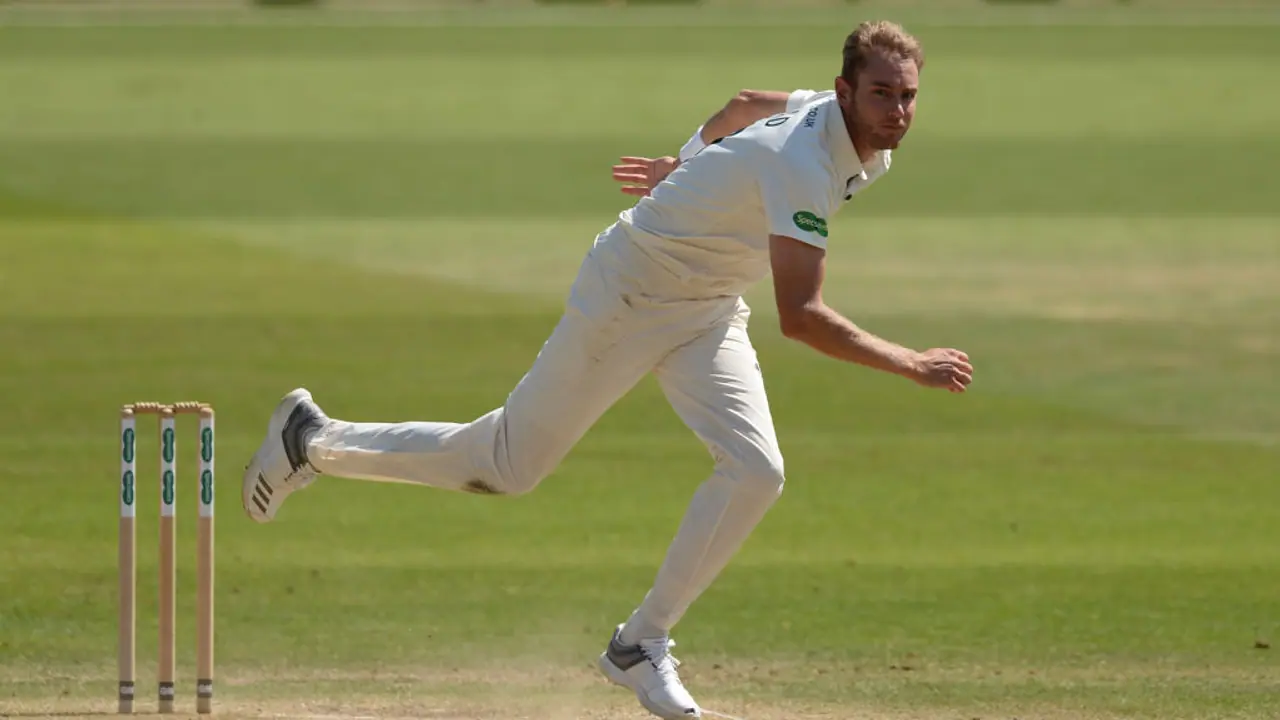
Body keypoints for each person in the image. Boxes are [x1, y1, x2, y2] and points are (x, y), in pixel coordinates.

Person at [241, 20, 972, 720]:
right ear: (844, 91)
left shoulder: (847, 131)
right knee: (507, 465)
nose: (898, 111)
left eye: (908, 95)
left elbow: (744, 104)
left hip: (707, 308)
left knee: (756, 471)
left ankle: (638, 644)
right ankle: (313, 440)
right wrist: (910, 363)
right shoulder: (803, 164)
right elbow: (801, 316)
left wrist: (683, 167)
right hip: (629, 293)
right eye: (882, 94)